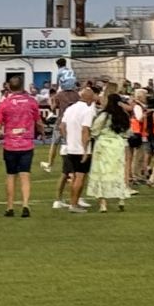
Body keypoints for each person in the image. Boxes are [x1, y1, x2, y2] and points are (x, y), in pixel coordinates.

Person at [0, 78, 41, 217]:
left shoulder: (5, 103)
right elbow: (38, 121)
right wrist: (42, 133)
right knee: (25, 175)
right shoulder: (31, 102)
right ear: (22, 86)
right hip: (26, 144)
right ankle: (25, 205)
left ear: (8, 87)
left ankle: (10, 207)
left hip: (10, 145)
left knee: (10, 176)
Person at [54, 85, 97, 213]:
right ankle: (74, 204)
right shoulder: (87, 110)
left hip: (70, 147)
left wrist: (68, 140)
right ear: (89, 98)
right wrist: (85, 149)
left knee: (72, 175)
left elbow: (62, 126)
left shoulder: (70, 109)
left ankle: (73, 202)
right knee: (80, 176)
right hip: (80, 148)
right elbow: (85, 130)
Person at [85, 95, 132, 212]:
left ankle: (103, 203)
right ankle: (121, 199)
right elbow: (127, 132)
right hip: (118, 145)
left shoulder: (104, 115)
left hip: (103, 145)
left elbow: (94, 130)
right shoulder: (123, 115)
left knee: (102, 172)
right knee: (118, 171)